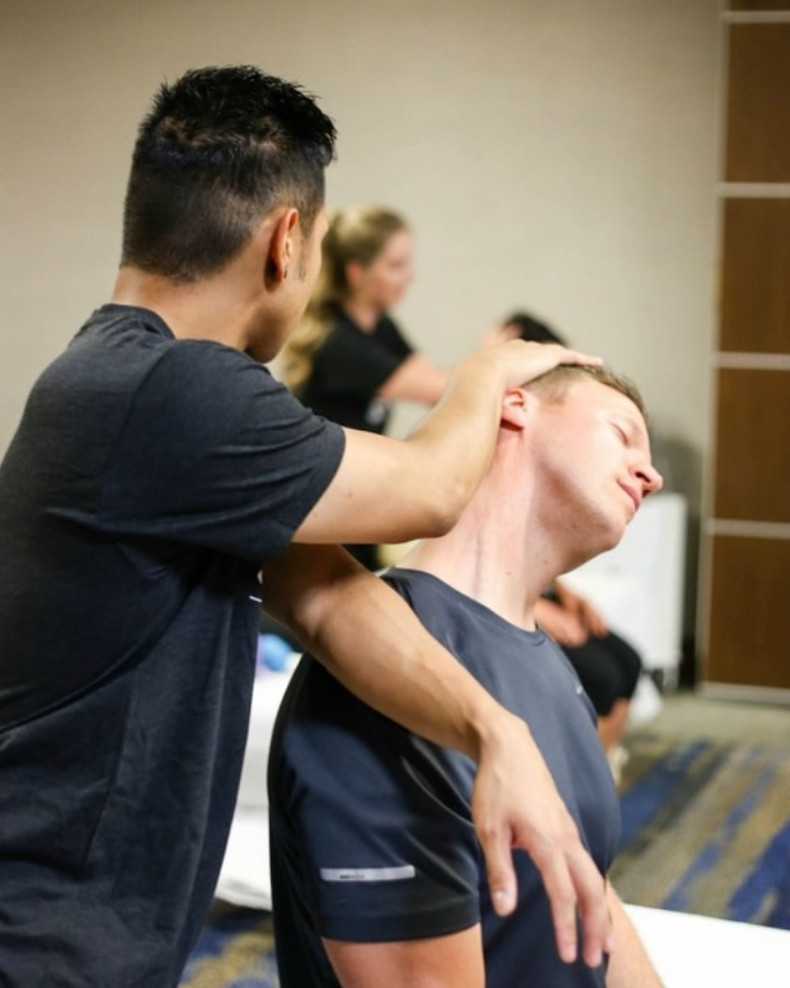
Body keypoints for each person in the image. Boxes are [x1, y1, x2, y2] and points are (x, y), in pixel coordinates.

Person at [0, 66, 610, 985]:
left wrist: (496, 732)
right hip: (41, 933)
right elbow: (432, 489)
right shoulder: (177, 386)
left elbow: (322, 597)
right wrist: (491, 370)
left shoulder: (124, 380)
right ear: (287, 241)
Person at [269, 364, 664, 987]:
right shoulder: (387, 670)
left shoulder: (554, 668)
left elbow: (590, 897)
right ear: (514, 407)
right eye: (622, 434)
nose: (652, 474)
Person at [280, 206, 513, 567]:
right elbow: (441, 389)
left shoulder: (380, 327)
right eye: (395, 266)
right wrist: (494, 362)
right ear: (357, 272)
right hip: (321, 510)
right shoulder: (339, 344)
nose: (409, 276)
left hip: (354, 504)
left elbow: (442, 387)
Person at [504, 311, 648, 757]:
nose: (651, 476)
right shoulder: (478, 458)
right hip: (512, 603)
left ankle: (600, 770)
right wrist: (534, 610)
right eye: (620, 434)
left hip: (531, 594)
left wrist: (564, 595)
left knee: (627, 660)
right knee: (599, 677)